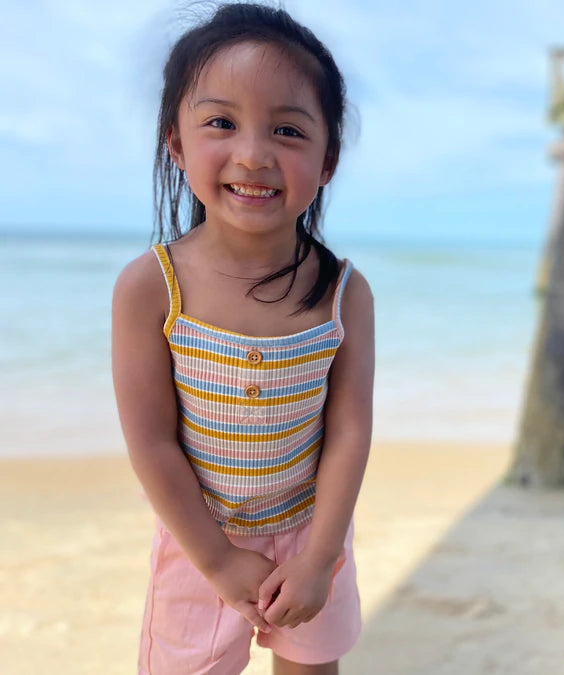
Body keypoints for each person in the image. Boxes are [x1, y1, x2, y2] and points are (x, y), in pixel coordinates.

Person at [111, 4, 374, 674]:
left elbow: (347, 432)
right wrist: (219, 558)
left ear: (327, 160)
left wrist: (320, 560)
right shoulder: (152, 288)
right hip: (201, 540)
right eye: (221, 123)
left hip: (314, 534)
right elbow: (152, 442)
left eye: (287, 129)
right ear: (177, 142)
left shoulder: (344, 293)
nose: (253, 154)